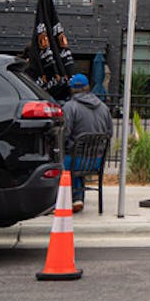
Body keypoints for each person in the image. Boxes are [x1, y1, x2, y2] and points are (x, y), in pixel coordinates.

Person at [61, 73, 112, 213]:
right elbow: (109, 133)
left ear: (72, 89)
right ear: (88, 87)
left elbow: (64, 134)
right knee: (75, 157)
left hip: (75, 161)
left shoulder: (69, 107)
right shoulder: (103, 108)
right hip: (97, 161)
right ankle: (77, 198)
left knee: (60, 159)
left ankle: (63, 200)